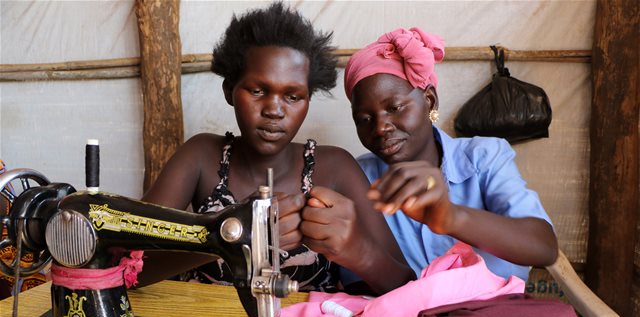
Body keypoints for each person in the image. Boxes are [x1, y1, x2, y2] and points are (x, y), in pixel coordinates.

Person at [138, 3, 414, 295]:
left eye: (293, 96)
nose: (274, 110)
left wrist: (357, 250)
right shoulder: (201, 157)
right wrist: (229, 232)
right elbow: (127, 267)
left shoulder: (335, 169)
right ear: (229, 90)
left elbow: (406, 287)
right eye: (258, 91)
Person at [343, 27, 558, 282]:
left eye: (395, 108)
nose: (380, 128)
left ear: (430, 101)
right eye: (364, 119)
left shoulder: (484, 158)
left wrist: (451, 217)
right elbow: (355, 283)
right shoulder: (359, 179)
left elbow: (543, 247)